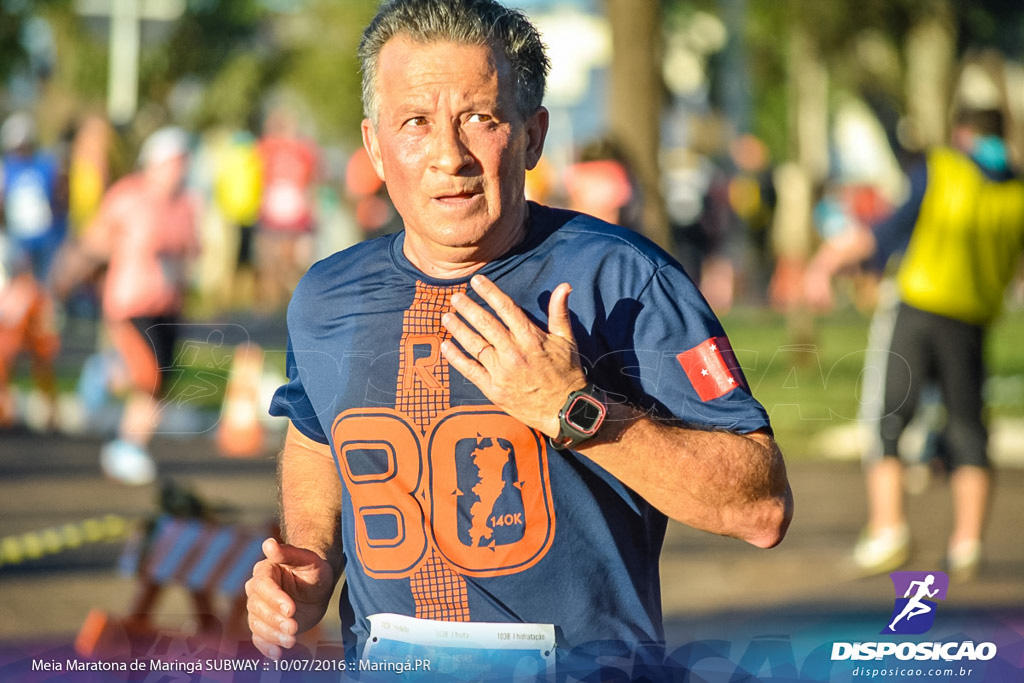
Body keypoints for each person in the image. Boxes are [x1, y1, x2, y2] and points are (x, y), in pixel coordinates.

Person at [246, 0, 792, 674]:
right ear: (374, 147)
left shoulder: (623, 280)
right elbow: (315, 431)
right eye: (415, 122)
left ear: (533, 136)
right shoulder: (326, 296)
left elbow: (761, 506)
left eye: (481, 118)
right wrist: (311, 560)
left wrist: (576, 412)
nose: (450, 155)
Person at [804, 106, 1024, 582]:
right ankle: (966, 545)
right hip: (974, 321)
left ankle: (889, 530)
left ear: (962, 134)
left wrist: (825, 263)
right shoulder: (1017, 190)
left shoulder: (942, 170)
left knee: (887, 418)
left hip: (920, 309)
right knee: (969, 429)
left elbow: (885, 232)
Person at [54, 126, 200, 486]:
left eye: (183, 162)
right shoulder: (128, 197)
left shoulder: (185, 205)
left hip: (167, 307)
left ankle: (105, 374)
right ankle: (127, 445)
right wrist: (62, 281)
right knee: (147, 378)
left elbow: (190, 253)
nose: (178, 170)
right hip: (129, 304)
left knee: (159, 383)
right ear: (153, 164)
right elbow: (93, 242)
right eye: (172, 162)